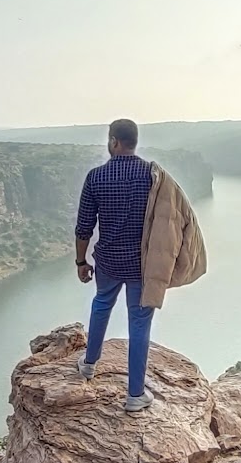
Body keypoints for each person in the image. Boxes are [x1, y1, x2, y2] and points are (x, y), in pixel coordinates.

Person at [73, 118, 206, 412]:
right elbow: (174, 218)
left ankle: (89, 363)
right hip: (143, 266)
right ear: (134, 142)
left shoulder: (96, 177)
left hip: (108, 261)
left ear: (113, 141)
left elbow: (84, 227)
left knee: (101, 304)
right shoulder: (153, 177)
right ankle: (135, 394)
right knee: (139, 325)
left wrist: (81, 261)